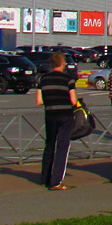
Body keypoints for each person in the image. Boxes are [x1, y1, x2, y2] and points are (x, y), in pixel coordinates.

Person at [35, 51, 77, 190]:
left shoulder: (43, 79)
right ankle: (56, 181)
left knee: (49, 145)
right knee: (62, 146)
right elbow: (73, 100)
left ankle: (44, 178)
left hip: (50, 114)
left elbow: (39, 101)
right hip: (65, 115)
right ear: (63, 63)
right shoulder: (68, 79)